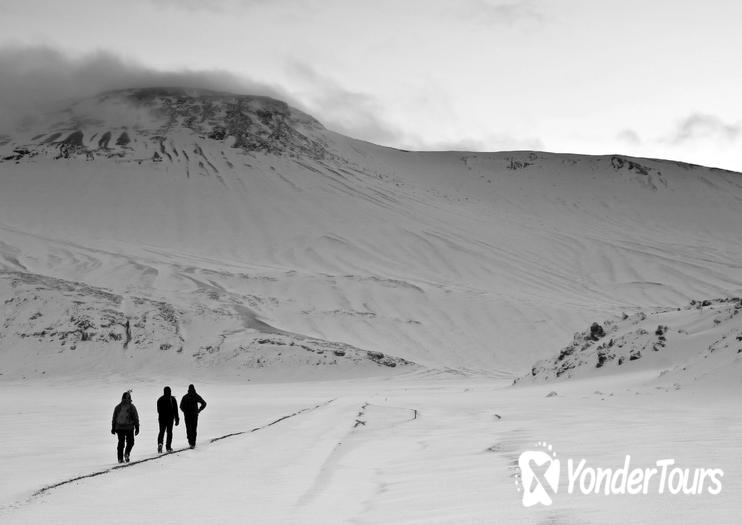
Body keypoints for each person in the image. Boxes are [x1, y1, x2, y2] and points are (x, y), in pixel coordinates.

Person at [111, 391, 140, 463]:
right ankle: (127, 453)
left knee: (121, 442)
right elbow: (135, 417)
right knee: (130, 442)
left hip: (119, 427)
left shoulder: (118, 407)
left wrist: (113, 427)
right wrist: (137, 427)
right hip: (129, 427)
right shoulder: (132, 407)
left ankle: (120, 458)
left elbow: (114, 418)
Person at [179, 384, 206, 448]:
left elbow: (181, 406)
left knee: (188, 429)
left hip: (187, 416)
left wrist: (185, 412)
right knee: (194, 429)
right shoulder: (196, 396)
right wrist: (199, 410)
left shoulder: (185, 397)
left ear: (188, 389)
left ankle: (190, 442)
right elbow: (204, 403)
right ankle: (193, 443)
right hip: (194, 415)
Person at [156, 386, 180, 453]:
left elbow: (158, 410)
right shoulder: (172, 399)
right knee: (169, 432)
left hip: (161, 419)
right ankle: (168, 447)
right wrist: (177, 419)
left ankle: (160, 444)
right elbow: (176, 410)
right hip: (170, 419)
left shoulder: (160, 399)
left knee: (161, 432)